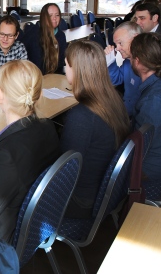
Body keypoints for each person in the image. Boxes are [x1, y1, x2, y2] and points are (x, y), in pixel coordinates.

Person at [0, 60, 60, 242]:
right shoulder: (49, 128)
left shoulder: (3, 157)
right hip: (31, 224)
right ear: (39, 94)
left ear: (0, 95)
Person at [62, 40, 130, 218]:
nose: (64, 67)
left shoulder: (82, 116)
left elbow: (64, 169)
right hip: (105, 192)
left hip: (82, 200)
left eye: (66, 63)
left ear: (76, 69)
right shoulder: (113, 100)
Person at [130, 32, 161, 193]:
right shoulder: (154, 87)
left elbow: (142, 145)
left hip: (150, 168)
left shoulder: (153, 100)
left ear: (138, 61)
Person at [104, 21, 143, 116]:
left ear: (135, 39)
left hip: (137, 116)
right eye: (116, 44)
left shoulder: (146, 66)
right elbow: (115, 81)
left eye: (120, 43)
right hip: (126, 111)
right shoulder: (127, 62)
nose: (117, 48)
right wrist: (111, 63)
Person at [20, 3, 67, 74]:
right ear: (43, 17)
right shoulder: (33, 35)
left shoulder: (61, 35)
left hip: (54, 76)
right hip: (35, 76)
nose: (54, 18)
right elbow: (35, 64)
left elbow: (61, 62)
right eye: (50, 15)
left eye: (57, 15)